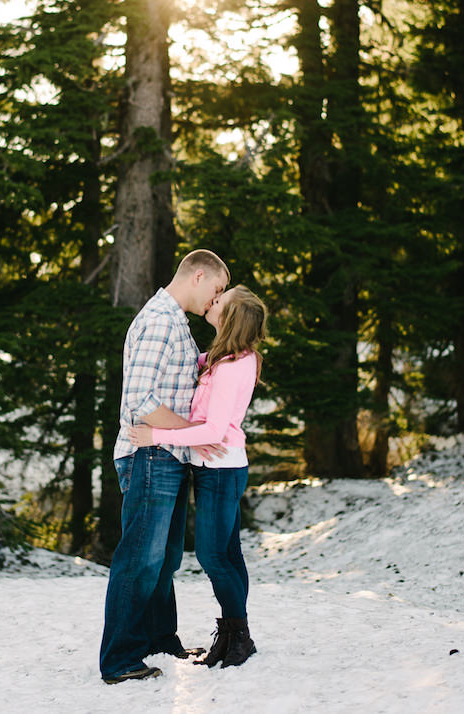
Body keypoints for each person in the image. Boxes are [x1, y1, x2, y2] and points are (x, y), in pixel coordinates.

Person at [98, 249, 229, 685]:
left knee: (164, 557)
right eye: (217, 288)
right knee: (140, 557)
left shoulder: (176, 323)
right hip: (149, 454)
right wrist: (192, 429)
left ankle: (158, 639)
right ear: (198, 276)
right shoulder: (159, 320)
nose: (217, 298)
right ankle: (120, 659)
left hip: (166, 453)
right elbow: (141, 399)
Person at [128, 285, 267, 668]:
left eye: (220, 300)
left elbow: (212, 431)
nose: (213, 300)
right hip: (219, 469)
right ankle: (234, 634)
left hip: (221, 470)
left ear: (229, 316)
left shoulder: (233, 366)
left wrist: (156, 435)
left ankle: (237, 635)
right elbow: (188, 365)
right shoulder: (227, 358)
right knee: (228, 554)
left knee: (213, 555)